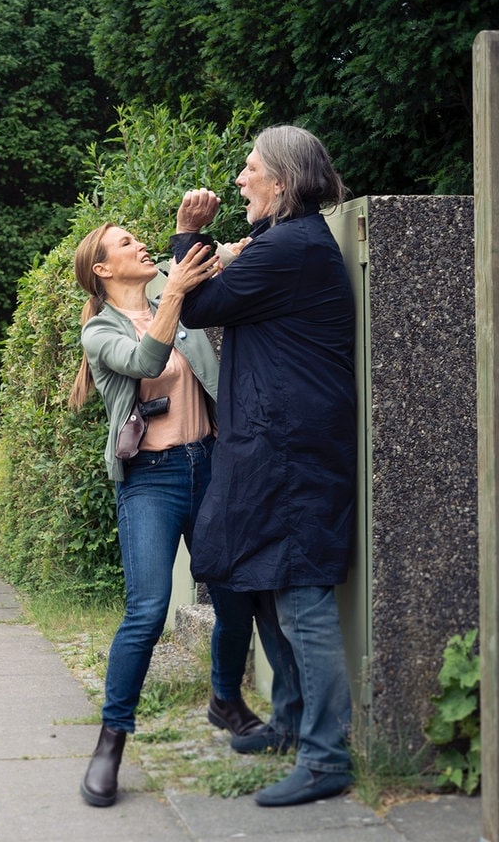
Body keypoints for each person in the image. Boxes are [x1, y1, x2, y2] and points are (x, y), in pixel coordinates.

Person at [69, 222, 292, 808]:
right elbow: (146, 361)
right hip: (152, 479)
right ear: (102, 269)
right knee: (146, 609)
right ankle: (110, 742)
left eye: (140, 238)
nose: (139, 245)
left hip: (213, 463)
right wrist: (172, 295)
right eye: (124, 243)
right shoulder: (98, 332)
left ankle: (225, 700)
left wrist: (210, 241)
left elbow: (216, 257)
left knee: (237, 592)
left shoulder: (177, 292)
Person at [170, 125, 357, 808]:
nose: (241, 180)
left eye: (251, 169)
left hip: (293, 451)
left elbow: (192, 305)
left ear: (281, 180)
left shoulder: (287, 248)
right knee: (268, 584)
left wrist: (189, 234)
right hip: (277, 444)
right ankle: (291, 720)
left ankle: (326, 755)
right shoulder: (289, 246)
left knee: (302, 596)